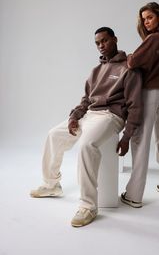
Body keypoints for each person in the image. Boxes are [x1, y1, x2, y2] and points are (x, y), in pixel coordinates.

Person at [30, 27, 143, 227]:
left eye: (105, 41)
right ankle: (51, 184)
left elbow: (135, 105)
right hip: (89, 114)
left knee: (86, 145)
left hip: (111, 116)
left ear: (115, 39)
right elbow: (85, 100)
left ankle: (88, 206)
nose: (101, 46)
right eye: (97, 43)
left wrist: (127, 136)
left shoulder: (129, 67)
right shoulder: (95, 71)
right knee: (53, 135)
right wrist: (75, 116)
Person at [120, 2, 159, 208]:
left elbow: (132, 62)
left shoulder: (154, 39)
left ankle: (134, 195)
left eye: (150, 18)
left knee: (140, 141)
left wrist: (129, 56)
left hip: (148, 94)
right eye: (144, 19)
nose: (146, 22)